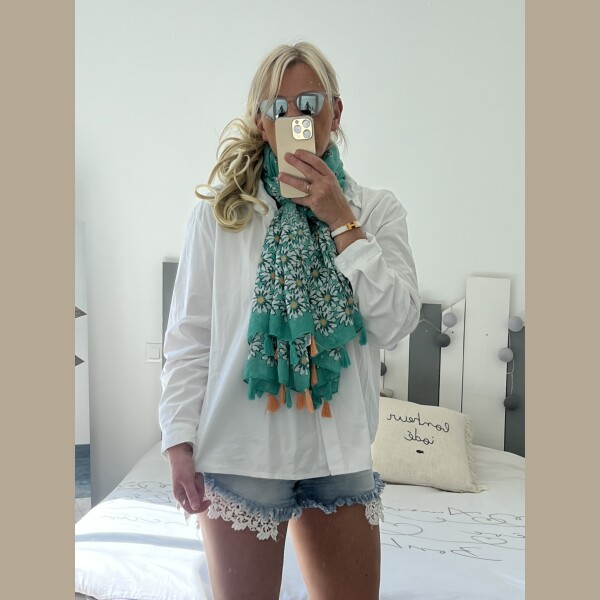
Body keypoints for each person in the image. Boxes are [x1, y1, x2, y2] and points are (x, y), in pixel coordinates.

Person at [159, 41, 420, 600]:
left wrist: (342, 220)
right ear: (261, 123)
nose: (295, 117)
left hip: (338, 451)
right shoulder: (220, 216)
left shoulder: (376, 210)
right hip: (241, 447)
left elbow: (395, 322)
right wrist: (178, 441)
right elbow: (190, 337)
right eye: (279, 109)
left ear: (336, 112)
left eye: (310, 103)